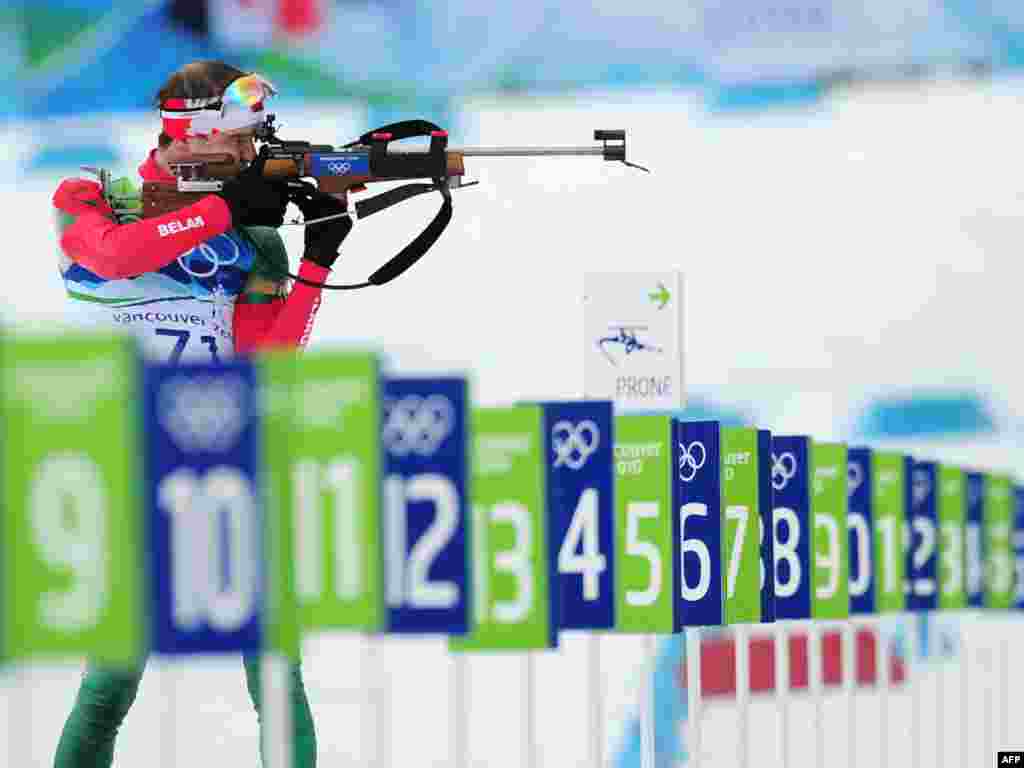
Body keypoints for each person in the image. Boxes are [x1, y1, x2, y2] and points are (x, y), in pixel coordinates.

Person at [50, 60, 345, 768]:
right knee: (108, 686)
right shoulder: (94, 192)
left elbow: (264, 367)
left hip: (222, 456)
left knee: (276, 674)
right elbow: (113, 257)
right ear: (197, 134)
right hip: (124, 466)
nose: (252, 153)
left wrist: (318, 260)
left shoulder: (256, 239)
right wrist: (220, 209)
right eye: (241, 139)